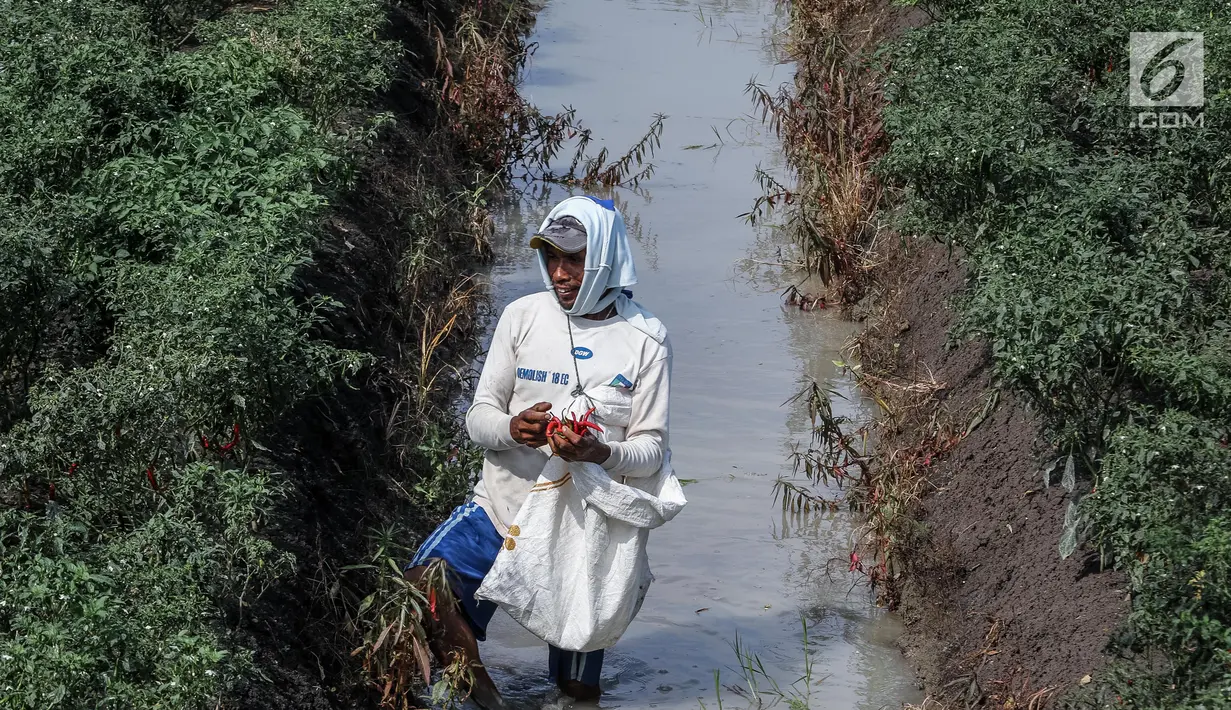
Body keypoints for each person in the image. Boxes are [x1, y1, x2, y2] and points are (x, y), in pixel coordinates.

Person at [404, 195, 671, 708]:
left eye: (574, 259)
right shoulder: (522, 316)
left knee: (577, 693)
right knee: (424, 584)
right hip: (502, 508)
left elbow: (652, 451)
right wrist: (513, 428)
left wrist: (600, 452)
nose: (560, 273)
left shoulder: (646, 340)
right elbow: (478, 417)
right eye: (551, 257)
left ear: (606, 258)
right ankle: (489, 701)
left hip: (583, 531)